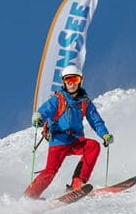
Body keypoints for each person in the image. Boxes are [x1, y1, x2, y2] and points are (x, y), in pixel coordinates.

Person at [25, 64, 113, 199]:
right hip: (59, 141)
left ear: (80, 81)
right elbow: (46, 110)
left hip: (75, 140)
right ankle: (29, 196)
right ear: (64, 82)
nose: (72, 84)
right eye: (68, 80)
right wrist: (39, 118)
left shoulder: (85, 102)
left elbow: (96, 121)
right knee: (50, 170)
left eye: (75, 80)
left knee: (92, 146)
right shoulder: (58, 99)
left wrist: (104, 134)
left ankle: (78, 182)